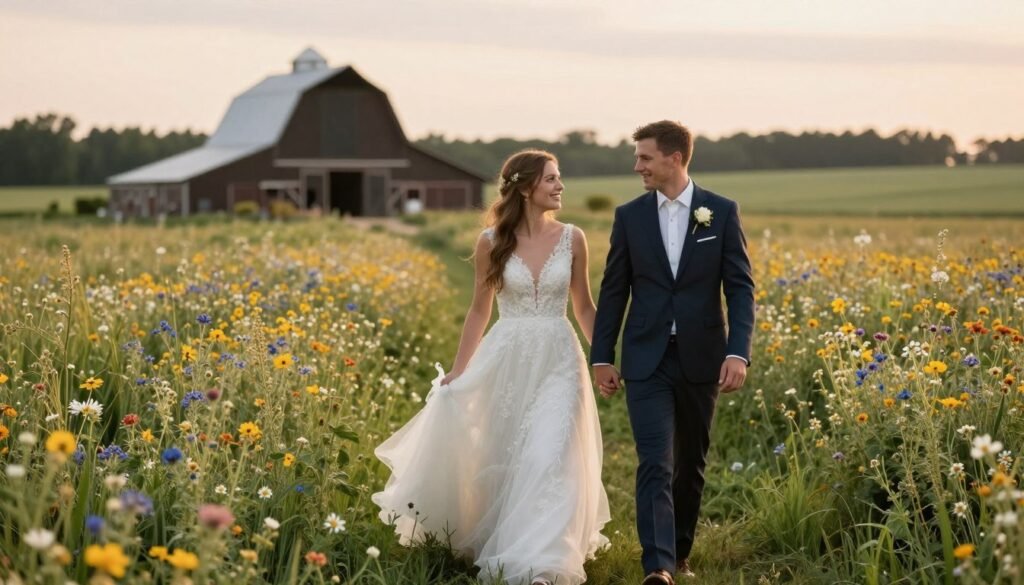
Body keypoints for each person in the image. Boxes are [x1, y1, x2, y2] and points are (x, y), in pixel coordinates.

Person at [373, 149, 611, 585]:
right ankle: (507, 541)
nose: (560, 186)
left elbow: (583, 305)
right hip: (507, 356)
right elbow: (480, 311)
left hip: (560, 357)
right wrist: (459, 372)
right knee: (509, 455)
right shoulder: (490, 243)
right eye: (551, 179)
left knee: (550, 454)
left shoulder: (573, 237)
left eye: (559, 178)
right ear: (524, 188)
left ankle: (543, 563)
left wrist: (605, 358)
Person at [590, 121, 755, 584]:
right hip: (646, 358)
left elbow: (741, 290)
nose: (637, 165)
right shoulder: (629, 216)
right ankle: (658, 566)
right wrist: (602, 355)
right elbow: (614, 289)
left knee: (691, 465)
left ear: (674, 158)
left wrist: (738, 352)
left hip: (704, 356)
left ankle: (681, 552)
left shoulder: (720, 212)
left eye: (644, 157)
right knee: (655, 462)